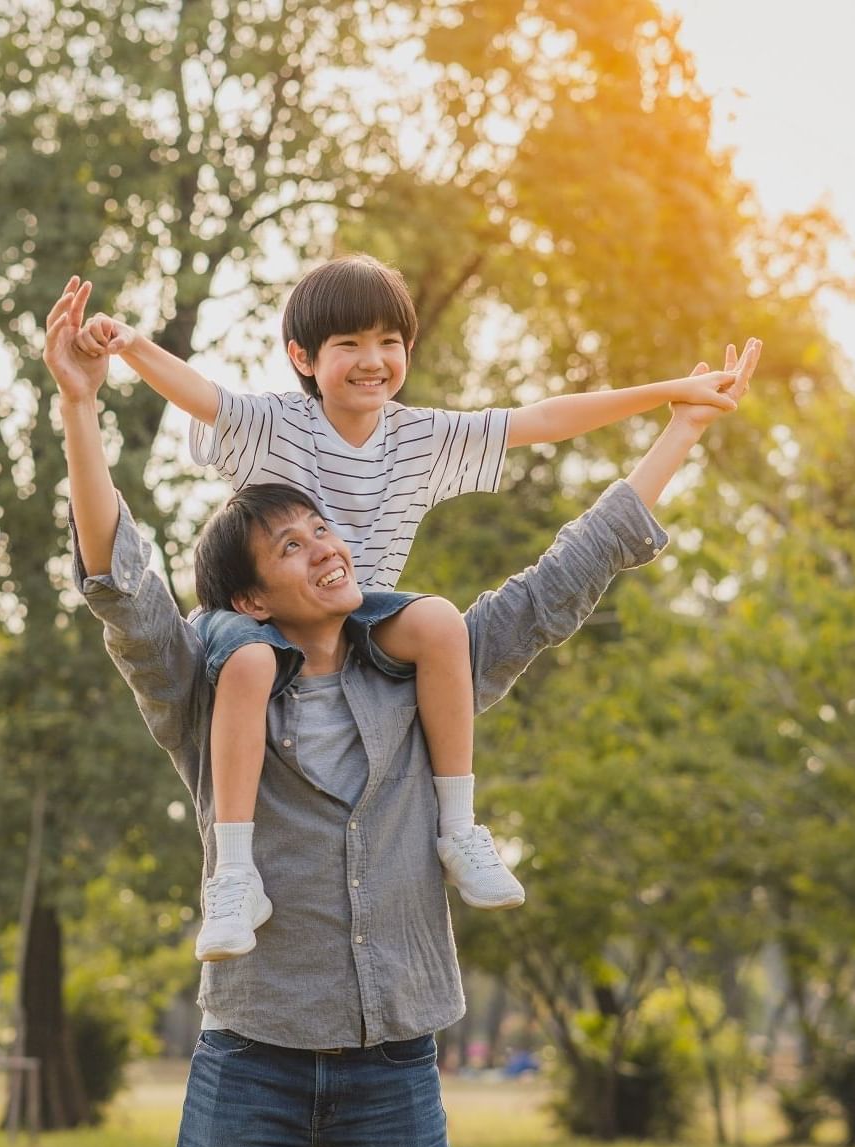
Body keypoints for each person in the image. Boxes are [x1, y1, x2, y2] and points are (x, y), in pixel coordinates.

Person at [43, 274, 760, 1147]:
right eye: (288, 543)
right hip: (253, 1056)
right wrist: (82, 403)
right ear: (250, 595)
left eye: (322, 529)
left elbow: (570, 574)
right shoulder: (210, 688)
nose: (325, 544)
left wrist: (680, 424)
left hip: (396, 1062)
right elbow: (121, 583)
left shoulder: (429, 678)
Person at [73, 254, 743, 960]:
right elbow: (201, 395)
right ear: (302, 357)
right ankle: (235, 872)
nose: (372, 360)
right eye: (349, 345)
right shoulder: (276, 424)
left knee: (438, 622)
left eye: (388, 342)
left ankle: (457, 827)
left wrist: (670, 395)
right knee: (245, 663)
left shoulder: (420, 438)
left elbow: (544, 419)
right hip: (251, 616)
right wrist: (130, 346)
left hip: (360, 612)